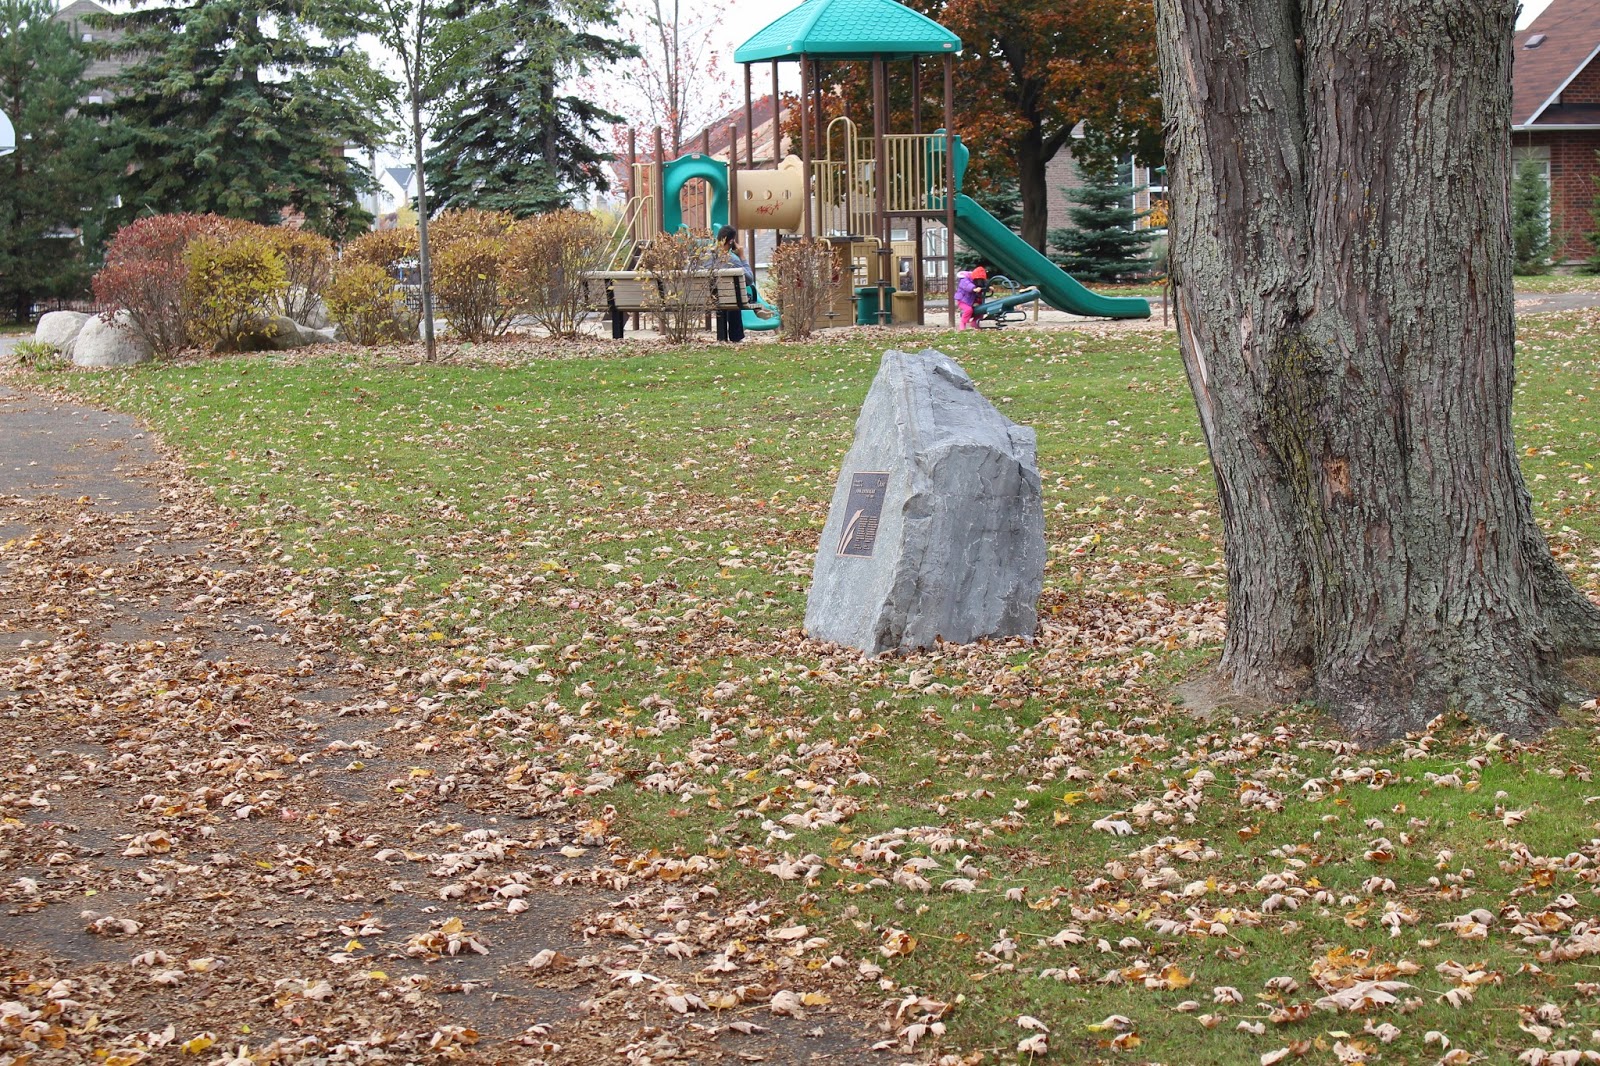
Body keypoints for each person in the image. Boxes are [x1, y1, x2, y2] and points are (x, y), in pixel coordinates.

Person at [713, 225, 755, 343]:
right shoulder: (733, 260)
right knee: (734, 296)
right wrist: (742, 256)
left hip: (706, 298)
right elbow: (750, 279)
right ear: (731, 241)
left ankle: (724, 337)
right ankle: (736, 337)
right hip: (729, 298)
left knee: (729, 294)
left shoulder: (704, 257)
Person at [954, 264, 987, 330]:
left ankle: (974, 323)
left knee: (982, 309)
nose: (979, 282)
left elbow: (984, 284)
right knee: (968, 310)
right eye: (978, 280)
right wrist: (973, 288)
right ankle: (962, 324)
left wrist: (988, 287)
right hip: (963, 300)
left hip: (974, 300)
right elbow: (966, 285)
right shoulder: (965, 279)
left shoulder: (978, 281)